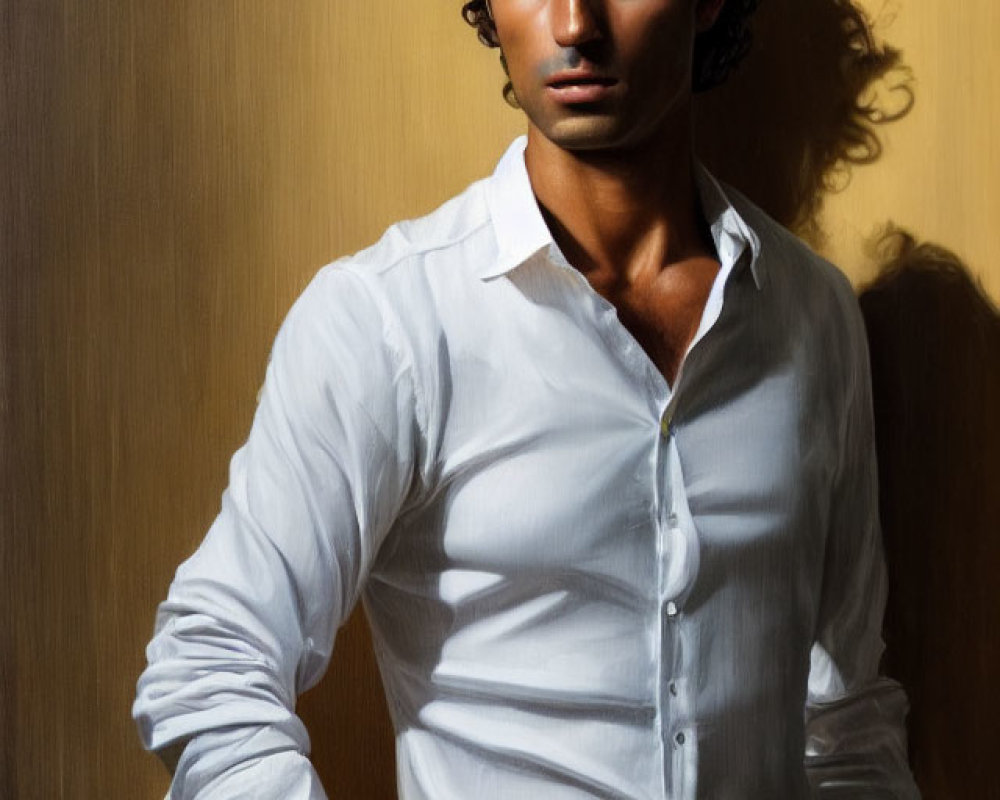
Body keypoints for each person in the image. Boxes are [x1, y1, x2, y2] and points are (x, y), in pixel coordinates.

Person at [134, 0, 920, 797]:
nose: (576, 25)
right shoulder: (391, 322)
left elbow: (846, 724)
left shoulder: (812, 315)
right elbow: (209, 664)